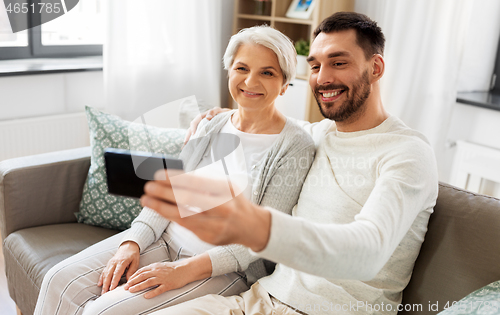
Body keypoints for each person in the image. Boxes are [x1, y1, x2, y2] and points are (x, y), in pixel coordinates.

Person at [140, 12, 439, 315]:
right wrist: (221, 116)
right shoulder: (317, 135)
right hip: (261, 299)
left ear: (375, 68)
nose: (322, 78)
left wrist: (257, 226)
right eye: (315, 65)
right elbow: (263, 119)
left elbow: (368, 252)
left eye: (339, 63)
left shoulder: (408, 154)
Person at [34, 25, 315, 315]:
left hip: (224, 268)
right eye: (241, 68)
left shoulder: (295, 145)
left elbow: (259, 240)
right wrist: (132, 241)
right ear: (229, 71)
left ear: (285, 83)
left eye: (267, 72)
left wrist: (180, 271)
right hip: (165, 238)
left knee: (100, 312)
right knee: (58, 281)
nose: (250, 80)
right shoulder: (212, 124)